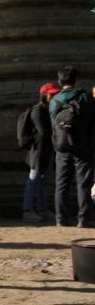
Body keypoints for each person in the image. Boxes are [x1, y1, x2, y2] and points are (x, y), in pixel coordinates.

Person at [49, 66, 95, 228]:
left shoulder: (54, 101)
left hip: (61, 146)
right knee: (83, 183)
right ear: (76, 80)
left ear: (60, 81)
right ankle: (84, 219)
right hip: (82, 145)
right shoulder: (84, 97)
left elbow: (52, 125)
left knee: (61, 183)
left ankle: (61, 218)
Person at [21, 83, 59, 223]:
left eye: (55, 94)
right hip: (38, 152)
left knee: (44, 182)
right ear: (44, 94)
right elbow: (43, 132)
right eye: (51, 94)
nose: (53, 96)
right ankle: (27, 210)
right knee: (33, 180)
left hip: (48, 150)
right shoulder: (37, 111)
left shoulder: (49, 110)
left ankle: (42, 209)